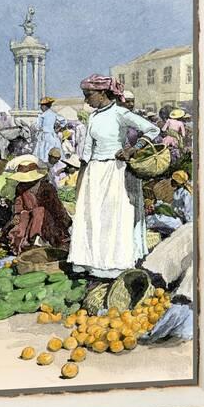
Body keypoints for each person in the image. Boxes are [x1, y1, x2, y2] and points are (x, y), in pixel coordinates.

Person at [67, 74, 160, 279]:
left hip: (115, 170)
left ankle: (112, 265)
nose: (86, 100)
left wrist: (131, 149)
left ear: (102, 93)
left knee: (111, 217)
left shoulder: (120, 113)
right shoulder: (92, 117)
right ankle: (90, 261)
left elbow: (152, 129)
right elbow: (87, 152)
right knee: (92, 216)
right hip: (94, 171)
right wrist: (81, 180)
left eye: (88, 95)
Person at [6, 161, 72, 255]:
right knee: (22, 220)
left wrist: (64, 223)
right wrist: (17, 214)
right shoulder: (20, 187)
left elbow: (56, 207)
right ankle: (26, 243)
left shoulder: (47, 188)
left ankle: (37, 240)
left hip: (46, 219)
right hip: (27, 218)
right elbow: (18, 203)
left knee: (39, 212)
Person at [33, 97, 65, 162]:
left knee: (45, 150)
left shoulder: (42, 115)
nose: (41, 107)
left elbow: (38, 127)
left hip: (46, 136)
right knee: (51, 150)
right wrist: (58, 128)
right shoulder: (54, 114)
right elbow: (63, 121)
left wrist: (57, 129)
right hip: (51, 136)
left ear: (45, 106)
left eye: (42, 106)